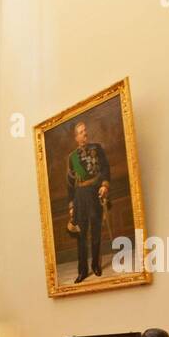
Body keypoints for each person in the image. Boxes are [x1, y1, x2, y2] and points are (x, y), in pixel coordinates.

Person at [65, 121, 110, 282]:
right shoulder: (72, 158)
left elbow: (105, 168)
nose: (85, 134)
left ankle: (96, 265)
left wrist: (104, 185)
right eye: (81, 132)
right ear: (76, 137)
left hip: (94, 193)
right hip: (79, 197)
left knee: (96, 230)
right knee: (81, 235)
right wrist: (71, 207)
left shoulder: (97, 149)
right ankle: (82, 270)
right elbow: (70, 185)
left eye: (85, 131)